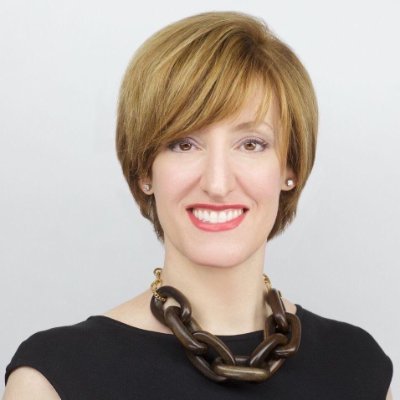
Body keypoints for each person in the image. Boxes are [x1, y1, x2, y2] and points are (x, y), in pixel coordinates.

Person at [3, 11, 393, 400]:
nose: (217, 184)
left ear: (289, 169)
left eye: (251, 144)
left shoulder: (359, 369)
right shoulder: (52, 379)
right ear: (145, 171)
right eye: (184, 144)